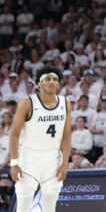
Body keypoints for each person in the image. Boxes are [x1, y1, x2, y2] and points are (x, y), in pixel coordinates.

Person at [8, 66, 71, 212]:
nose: (52, 82)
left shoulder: (65, 103)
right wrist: (14, 163)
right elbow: (14, 134)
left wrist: (64, 164)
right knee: (24, 202)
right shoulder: (28, 102)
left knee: (51, 203)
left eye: (55, 79)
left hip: (53, 157)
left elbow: (66, 136)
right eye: (47, 79)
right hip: (30, 157)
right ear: (39, 83)